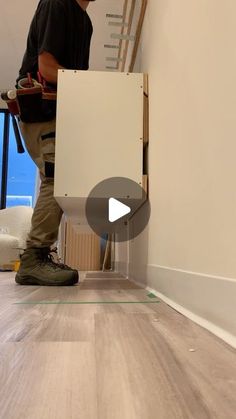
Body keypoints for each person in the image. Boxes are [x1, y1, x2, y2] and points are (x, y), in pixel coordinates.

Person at [15, 0, 96, 286]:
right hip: (42, 109)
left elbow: (75, 79)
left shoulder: (85, 22)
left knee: (59, 176)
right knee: (56, 175)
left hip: (60, 111)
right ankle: (33, 259)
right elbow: (48, 69)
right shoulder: (56, 3)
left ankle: (39, 255)